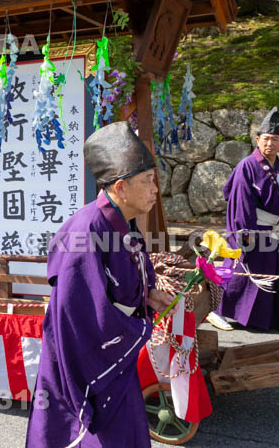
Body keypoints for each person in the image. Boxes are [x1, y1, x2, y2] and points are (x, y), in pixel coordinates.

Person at [27, 121, 172, 448]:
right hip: (88, 360)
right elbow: (79, 314)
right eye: (148, 180)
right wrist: (139, 328)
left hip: (114, 355)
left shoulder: (122, 222)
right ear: (121, 187)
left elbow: (127, 275)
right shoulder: (87, 230)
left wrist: (147, 294)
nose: (155, 190)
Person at [215, 107, 279, 331]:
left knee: (275, 273)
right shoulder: (247, 166)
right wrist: (244, 232)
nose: (270, 143)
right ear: (257, 140)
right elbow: (240, 202)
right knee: (243, 272)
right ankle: (215, 309)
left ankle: (268, 318)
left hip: (274, 230)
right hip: (253, 228)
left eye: (275, 139)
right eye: (266, 139)